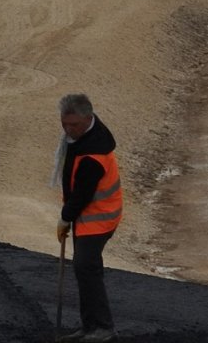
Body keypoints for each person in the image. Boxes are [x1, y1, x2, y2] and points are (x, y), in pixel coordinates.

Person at [54, 93, 122, 343]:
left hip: (99, 216)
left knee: (86, 267)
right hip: (88, 214)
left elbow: (82, 194)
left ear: (88, 118)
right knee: (85, 268)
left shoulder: (93, 155)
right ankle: (89, 326)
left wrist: (65, 218)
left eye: (74, 125)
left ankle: (103, 328)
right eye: (65, 124)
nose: (68, 130)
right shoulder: (83, 137)